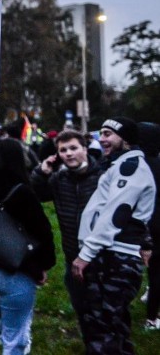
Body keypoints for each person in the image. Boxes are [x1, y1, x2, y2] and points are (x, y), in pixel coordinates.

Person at [72, 116, 156, 354]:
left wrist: (85, 254)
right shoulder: (120, 165)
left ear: (125, 139)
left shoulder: (130, 167)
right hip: (109, 255)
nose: (102, 139)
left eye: (108, 133)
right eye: (101, 133)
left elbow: (115, 215)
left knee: (103, 330)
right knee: (113, 327)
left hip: (116, 259)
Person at [0, 138, 56, 355]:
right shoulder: (21, 190)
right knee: (15, 337)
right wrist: (41, 266)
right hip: (16, 272)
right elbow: (42, 232)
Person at [29, 129, 102, 341]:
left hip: (101, 257)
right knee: (81, 308)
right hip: (72, 256)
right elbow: (39, 194)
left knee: (103, 311)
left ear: (85, 149)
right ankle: (91, 342)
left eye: (73, 148)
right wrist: (41, 172)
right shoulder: (59, 179)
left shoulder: (102, 176)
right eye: (63, 150)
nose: (68, 153)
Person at [137, 121, 160, 330]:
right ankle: (152, 317)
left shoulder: (135, 164)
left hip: (138, 225)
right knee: (156, 271)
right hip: (156, 225)